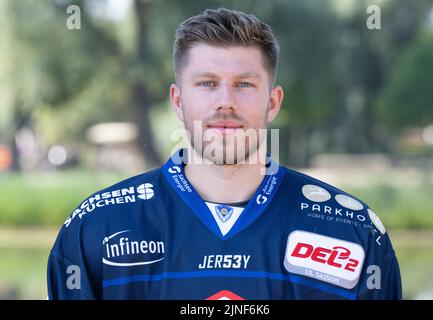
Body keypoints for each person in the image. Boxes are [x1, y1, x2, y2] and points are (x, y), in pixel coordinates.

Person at [47, 7, 402, 300]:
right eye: (207, 83)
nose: (225, 102)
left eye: (244, 85)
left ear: (273, 101)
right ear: (178, 100)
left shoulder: (353, 233)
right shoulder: (96, 229)